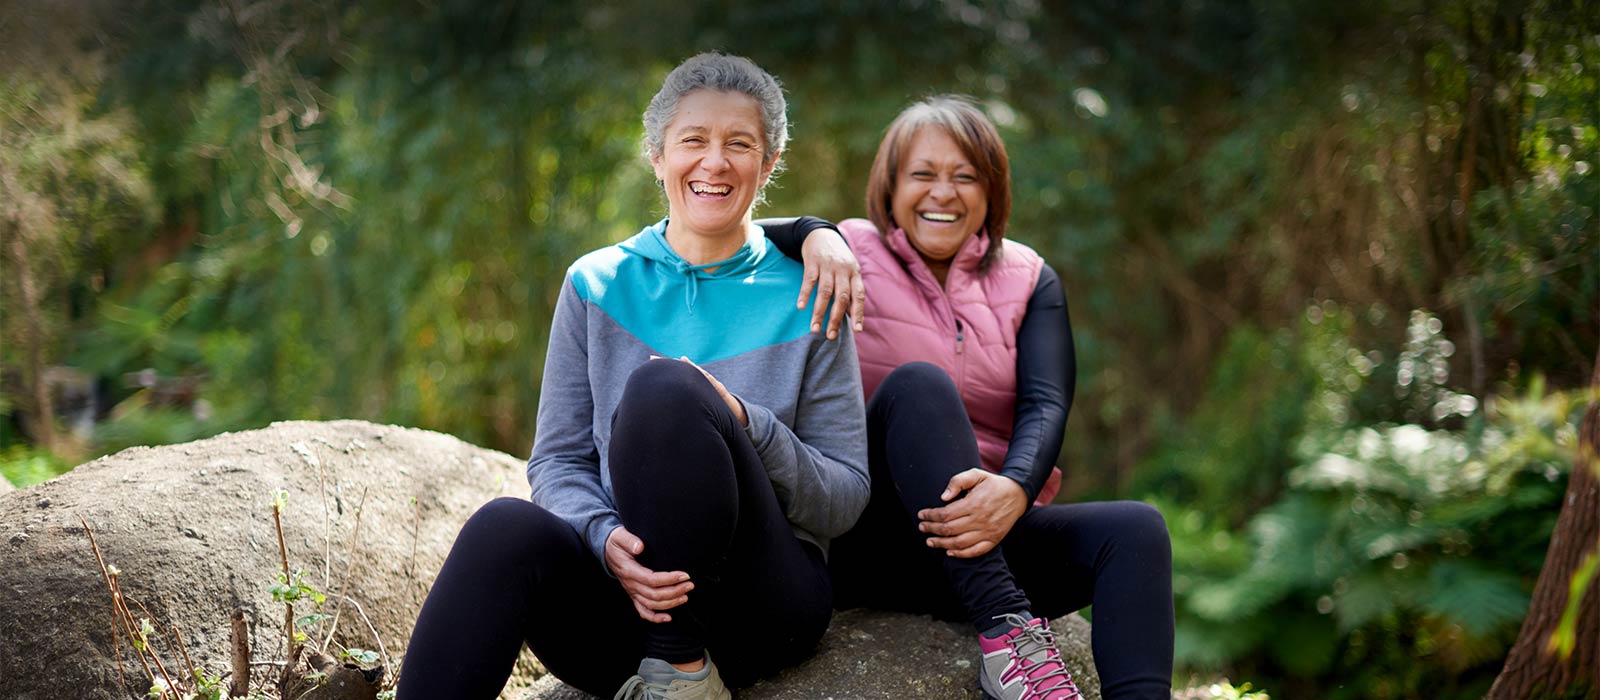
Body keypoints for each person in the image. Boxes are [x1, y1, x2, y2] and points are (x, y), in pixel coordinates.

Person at [396, 53, 869, 700]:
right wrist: (604, 536)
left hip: (759, 609)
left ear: (769, 163)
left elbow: (843, 498)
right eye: (693, 141)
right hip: (623, 612)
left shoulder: (813, 291)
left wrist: (742, 422)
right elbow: (558, 462)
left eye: (739, 144)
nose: (714, 162)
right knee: (502, 527)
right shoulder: (595, 284)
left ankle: (683, 671)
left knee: (665, 388)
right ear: (657, 156)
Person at [761, 95, 1175, 700]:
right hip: (869, 533)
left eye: (964, 176)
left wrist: (1015, 488)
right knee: (919, 384)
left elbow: (1045, 403)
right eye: (923, 175)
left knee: (1136, 529)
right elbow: (716, 232)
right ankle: (1008, 633)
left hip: (985, 534)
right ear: (891, 185)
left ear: (991, 189)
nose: (943, 193)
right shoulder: (850, 250)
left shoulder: (1029, 277)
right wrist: (812, 232)